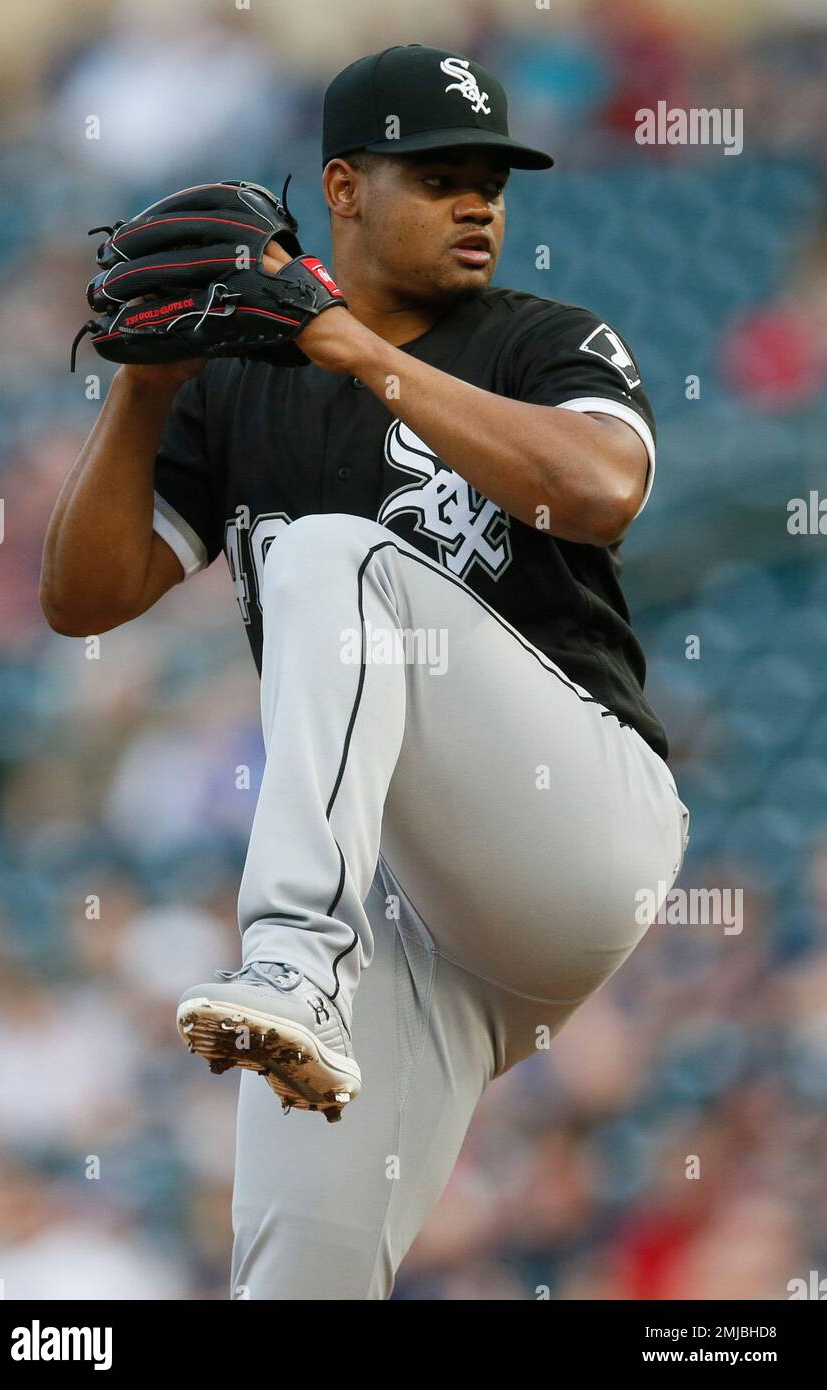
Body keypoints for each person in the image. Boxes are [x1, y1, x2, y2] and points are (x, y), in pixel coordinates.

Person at [41, 44, 690, 1300]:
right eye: (438, 176)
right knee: (295, 1275)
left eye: (491, 182)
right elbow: (82, 597)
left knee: (337, 553)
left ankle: (288, 951)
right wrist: (145, 388)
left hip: (576, 826)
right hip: (402, 923)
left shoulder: (538, 339)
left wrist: (350, 349)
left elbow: (601, 492)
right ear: (342, 187)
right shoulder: (237, 396)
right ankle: (305, 970)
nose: (478, 204)